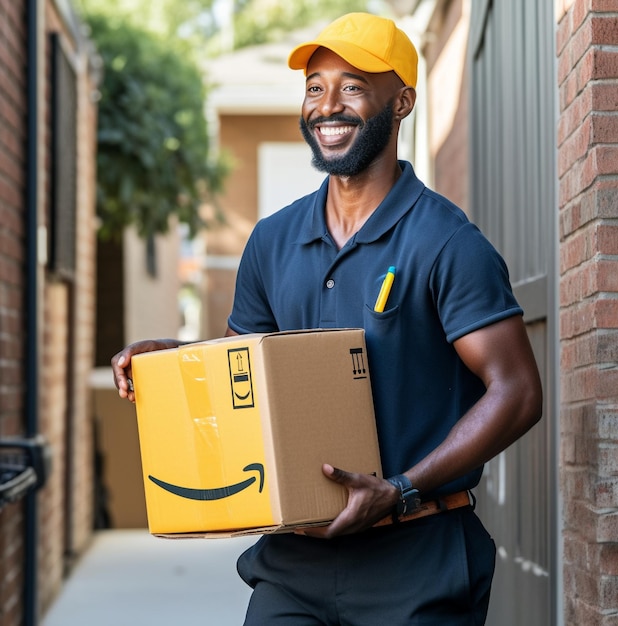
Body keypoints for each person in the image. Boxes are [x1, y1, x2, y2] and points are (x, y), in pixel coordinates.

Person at [112, 12, 542, 625]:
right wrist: (177, 359)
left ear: (403, 103)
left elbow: (519, 392)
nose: (327, 105)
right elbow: (249, 366)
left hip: (416, 559)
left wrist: (401, 489)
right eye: (315, 87)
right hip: (295, 565)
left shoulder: (446, 243)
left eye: (353, 86)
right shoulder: (272, 239)